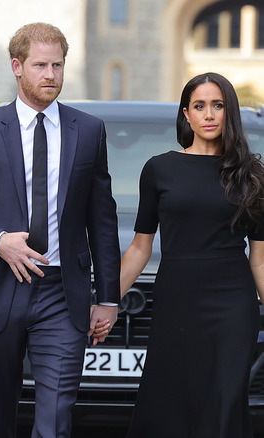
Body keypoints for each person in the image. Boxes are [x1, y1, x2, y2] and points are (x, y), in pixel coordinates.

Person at [0, 22, 121, 438]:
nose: (51, 75)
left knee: (55, 421)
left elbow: (102, 220)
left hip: (61, 293)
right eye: (40, 65)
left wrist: (107, 297)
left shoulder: (88, 130)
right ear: (17, 66)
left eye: (57, 65)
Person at [120, 72, 264, 437]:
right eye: (199, 106)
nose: (209, 114)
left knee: (224, 401)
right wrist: (105, 300)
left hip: (232, 305)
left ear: (229, 112)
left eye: (218, 105)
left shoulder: (253, 175)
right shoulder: (159, 169)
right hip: (177, 300)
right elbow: (140, 246)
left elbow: (260, 259)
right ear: (187, 114)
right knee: (170, 401)